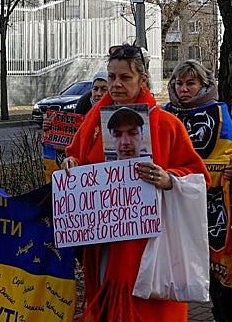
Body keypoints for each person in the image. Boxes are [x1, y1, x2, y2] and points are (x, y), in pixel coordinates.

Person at [64, 44, 208, 322]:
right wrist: (71, 165)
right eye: (112, 77)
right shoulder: (93, 122)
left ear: (142, 80)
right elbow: (75, 155)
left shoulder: (167, 124)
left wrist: (168, 179)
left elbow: (197, 176)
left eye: (125, 78)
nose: (116, 85)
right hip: (102, 240)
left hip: (150, 242)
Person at [163, 59, 232, 320]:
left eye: (191, 83)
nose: (184, 89)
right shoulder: (164, 113)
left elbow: (229, 153)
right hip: (172, 203)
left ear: (204, 85)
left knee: (220, 271)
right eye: (179, 83)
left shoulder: (218, 112)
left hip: (212, 202)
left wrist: (228, 169)